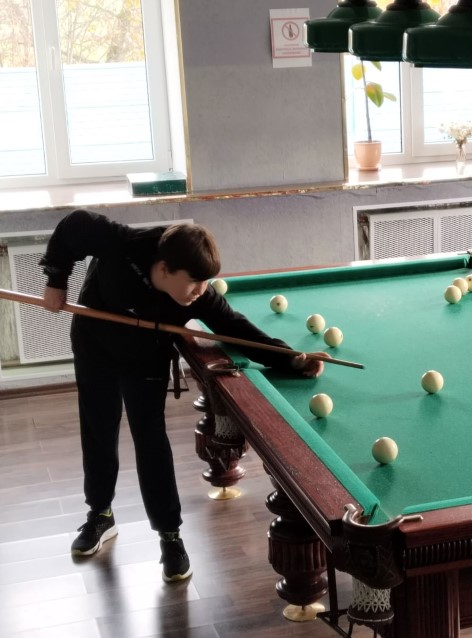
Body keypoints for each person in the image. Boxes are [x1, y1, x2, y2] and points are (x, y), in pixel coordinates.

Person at [40, 209, 326, 582]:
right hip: (95, 343)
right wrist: (56, 281)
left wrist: (291, 359)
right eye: (194, 283)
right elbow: (73, 226)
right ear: (164, 269)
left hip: (146, 355)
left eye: (206, 283)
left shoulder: (197, 295)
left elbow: (235, 327)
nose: (201, 291)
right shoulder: (122, 243)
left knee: (150, 438)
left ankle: (169, 535)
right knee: (98, 428)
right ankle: (100, 514)